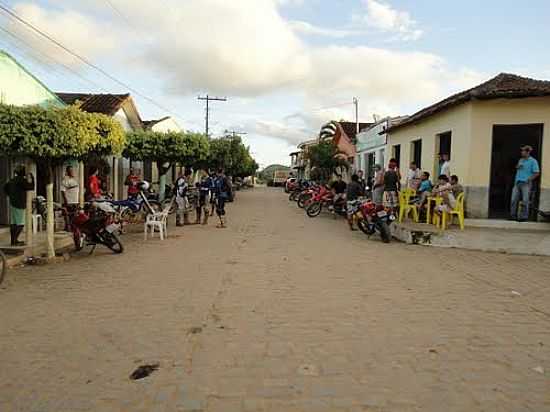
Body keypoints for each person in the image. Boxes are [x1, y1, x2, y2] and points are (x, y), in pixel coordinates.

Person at [3, 165, 34, 246]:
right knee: (20, 223)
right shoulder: (22, 180)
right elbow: (30, 187)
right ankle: (15, 240)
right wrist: (32, 178)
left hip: (13, 203)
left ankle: (13, 241)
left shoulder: (12, 180)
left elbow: (5, 188)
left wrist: (11, 195)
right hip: (19, 204)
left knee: (13, 223)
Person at [510, 145, 540, 222]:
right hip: (517, 182)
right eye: (521, 151)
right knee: (513, 199)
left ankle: (524, 217)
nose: (521, 152)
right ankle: (513, 216)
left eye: (523, 151)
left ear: (527, 152)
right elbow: (517, 168)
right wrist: (517, 166)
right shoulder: (521, 160)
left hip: (526, 183)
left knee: (525, 200)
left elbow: (536, 173)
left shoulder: (533, 161)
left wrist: (529, 179)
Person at [61, 165, 80, 231]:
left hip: (75, 200)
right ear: (68, 172)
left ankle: (72, 227)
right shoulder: (65, 180)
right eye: (71, 171)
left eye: (73, 170)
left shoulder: (74, 180)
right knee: (68, 216)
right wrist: (66, 201)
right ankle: (68, 228)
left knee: (74, 215)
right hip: (69, 201)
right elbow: (62, 191)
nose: (72, 172)